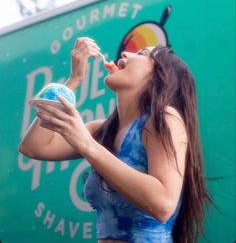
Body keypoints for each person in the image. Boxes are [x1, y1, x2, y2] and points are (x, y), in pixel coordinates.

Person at [19, 37, 212, 243]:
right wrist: (74, 79)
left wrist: (87, 145)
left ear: (159, 76)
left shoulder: (164, 118)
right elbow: (34, 147)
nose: (125, 54)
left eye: (141, 54)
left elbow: (163, 203)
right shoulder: (101, 130)